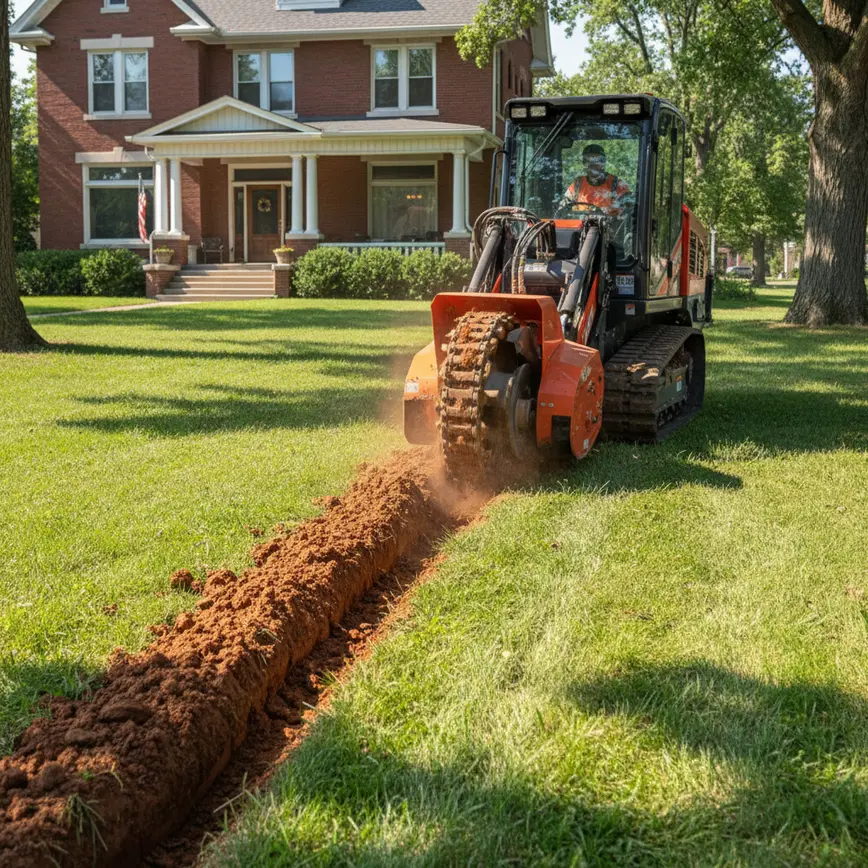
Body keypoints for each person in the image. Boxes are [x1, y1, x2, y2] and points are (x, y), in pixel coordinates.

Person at [562, 144, 632, 217]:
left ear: (603, 163)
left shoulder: (617, 185)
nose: (593, 164)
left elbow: (630, 211)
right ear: (584, 163)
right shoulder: (577, 185)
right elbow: (562, 209)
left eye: (597, 160)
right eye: (589, 161)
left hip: (611, 224)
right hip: (581, 224)